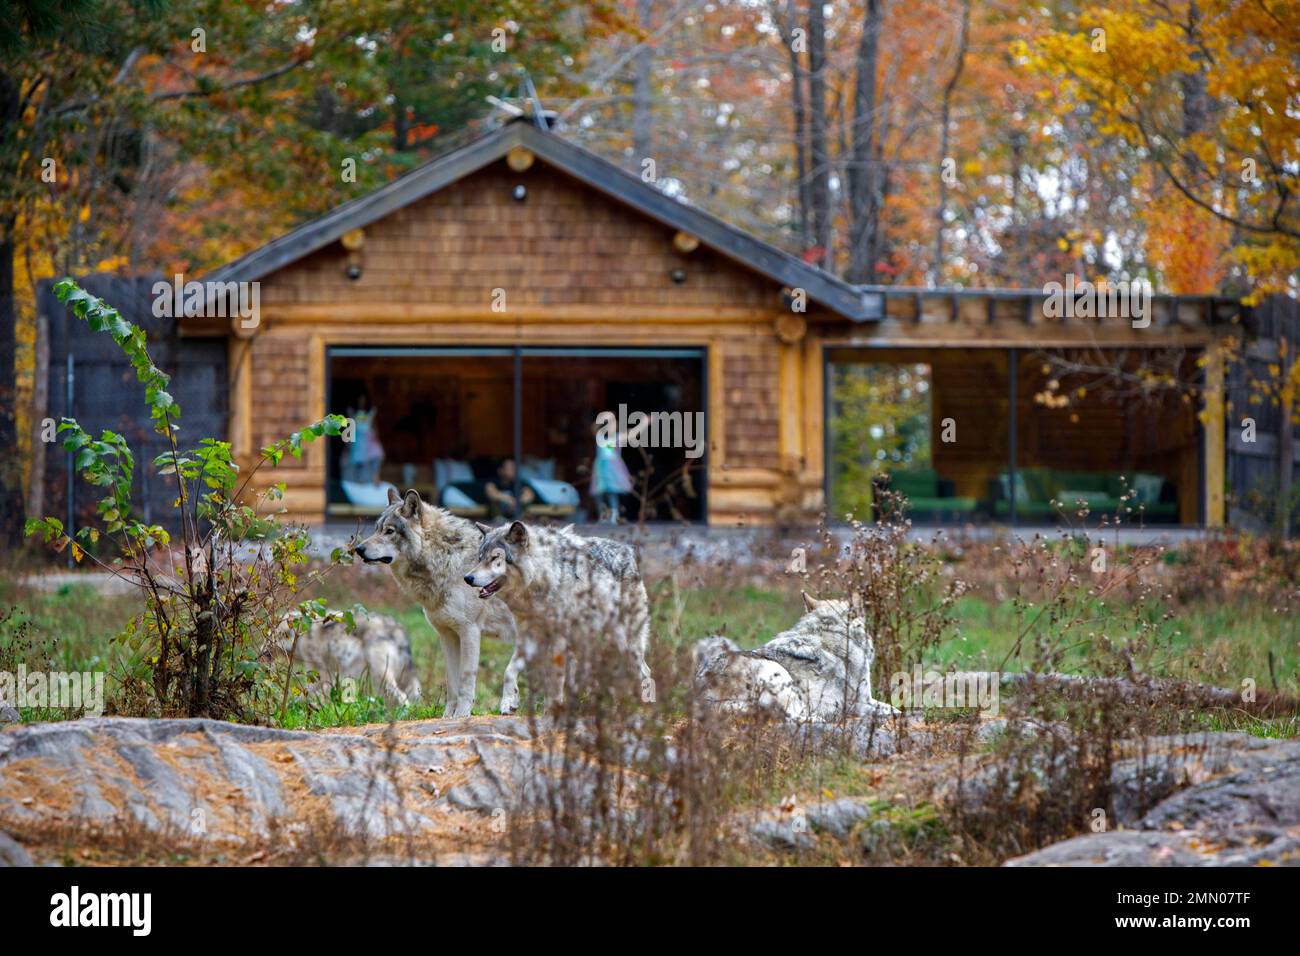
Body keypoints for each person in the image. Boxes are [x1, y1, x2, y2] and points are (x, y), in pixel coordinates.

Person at [590, 423, 633, 524]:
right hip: (601, 468)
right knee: (599, 494)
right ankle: (603, 515)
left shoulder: (618, 437)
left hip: (613, 468)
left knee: (611, 494)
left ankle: (614, 516)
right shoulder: (600, 437)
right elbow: (593, 429)